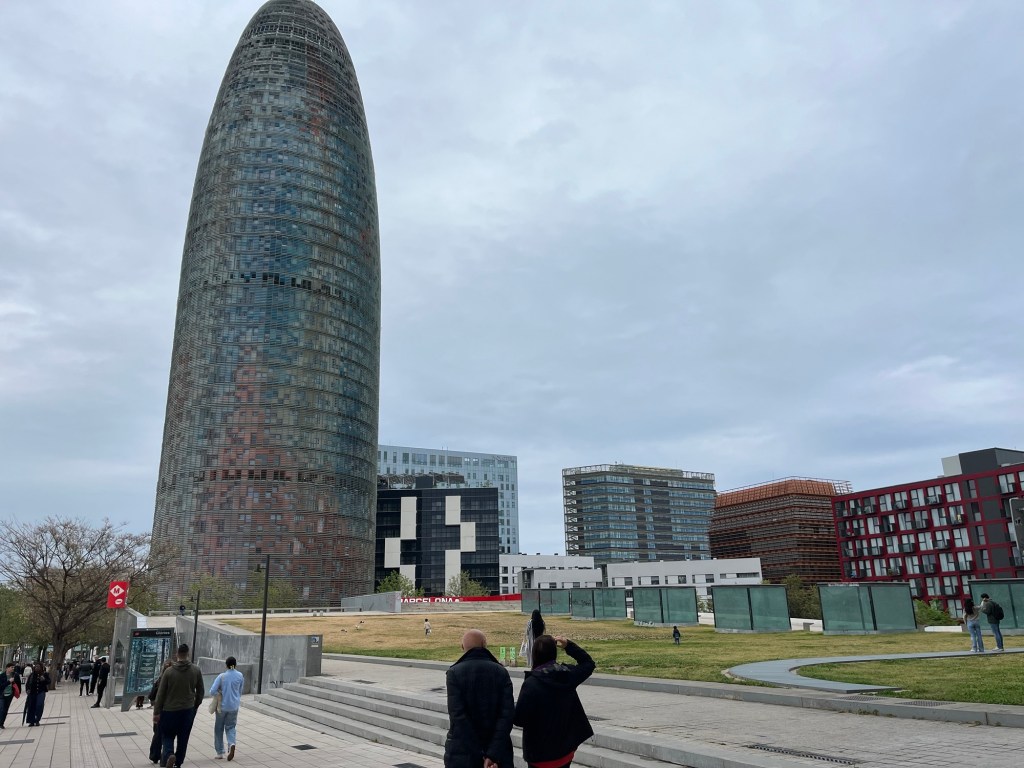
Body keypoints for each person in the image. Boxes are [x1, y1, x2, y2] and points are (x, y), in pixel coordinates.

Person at [514, 635, 595, 768]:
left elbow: (519, 719)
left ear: (534, 654)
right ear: (554, 653)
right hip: (565, 751)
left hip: (539, 756)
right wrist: (568, 645)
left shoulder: (531, 684)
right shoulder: (567, 674)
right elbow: (588, 663)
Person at [444, 629, 514, 768]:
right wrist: (491, 754)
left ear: (462, 647)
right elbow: (507, 716)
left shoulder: (454, 673)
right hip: (498, 753)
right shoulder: (501, 671)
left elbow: (458, 716)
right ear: (485, 645)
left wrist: (479, 753)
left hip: (463, 753)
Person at [153, 643, 205, 768]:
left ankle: (169, 754)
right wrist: (195, 705)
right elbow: (201, 691)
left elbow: (160, 694)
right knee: (183, 738)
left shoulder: (169, 672)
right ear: (188, 654)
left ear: (177, 654)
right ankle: (178, 761)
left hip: (169, 711)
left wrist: (156, 712)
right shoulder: (196, 670)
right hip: (187, 710)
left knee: (167, 736)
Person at [210, 656, 244, 761]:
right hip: (234, 706)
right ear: (235, 665)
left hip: (222, 707)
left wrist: (219, 694)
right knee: (231, 727)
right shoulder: (240, 675)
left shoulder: (222, 676)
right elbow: (240, 691)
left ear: (226, 665)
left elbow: (212, 691)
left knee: (218, 728)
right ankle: (232, 743)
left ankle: (220, 752)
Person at [149, 661, 174, 764]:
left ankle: (155, 755)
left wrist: (156, 712)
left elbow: (152, 696)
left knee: (158, 733)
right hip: (172, 710)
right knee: (168, 734)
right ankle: (166, 755)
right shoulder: (174, 681)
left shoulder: (159, 681)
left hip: (160, 710)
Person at [25, 662, 52, 727]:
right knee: (31, 706)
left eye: (38, 667)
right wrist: (27, 690)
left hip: (41, 692)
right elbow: (28, 683)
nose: (37, 668)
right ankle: (31, 721)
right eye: (36, 667)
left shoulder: (44, 674)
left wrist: (44, 680)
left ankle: (37, 719)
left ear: (41, 668)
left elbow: (49, 681)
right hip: (32, 692)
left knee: (39, 705)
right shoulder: (32, 675)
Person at [0, 663, 21, 729]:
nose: (13, 668)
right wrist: (9, 681)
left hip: (10, 695)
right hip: (2, 695)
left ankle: (1, 723)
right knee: (1, 709)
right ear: (7, 668)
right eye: (11, 667)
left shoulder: (15, 675)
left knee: (5, 710)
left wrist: (18, 692)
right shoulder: (2, 676)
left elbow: (18, 684)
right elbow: (1, 686)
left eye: (13, 667)